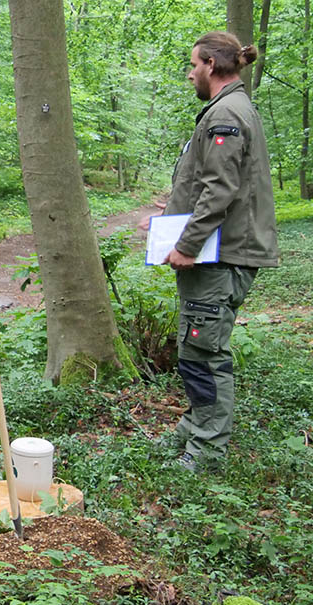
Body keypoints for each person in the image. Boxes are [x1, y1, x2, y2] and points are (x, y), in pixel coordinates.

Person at [148, 32, 277, 471]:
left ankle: (205, 452)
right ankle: (193, 429)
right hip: (218, 256)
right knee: (195, 350)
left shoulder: (227, 114)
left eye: (194, 65)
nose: (190, 73)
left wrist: (186, 245)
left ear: (211, 64)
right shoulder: (228, 110)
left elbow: (219, 190)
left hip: (219, 258)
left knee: (205, 354)